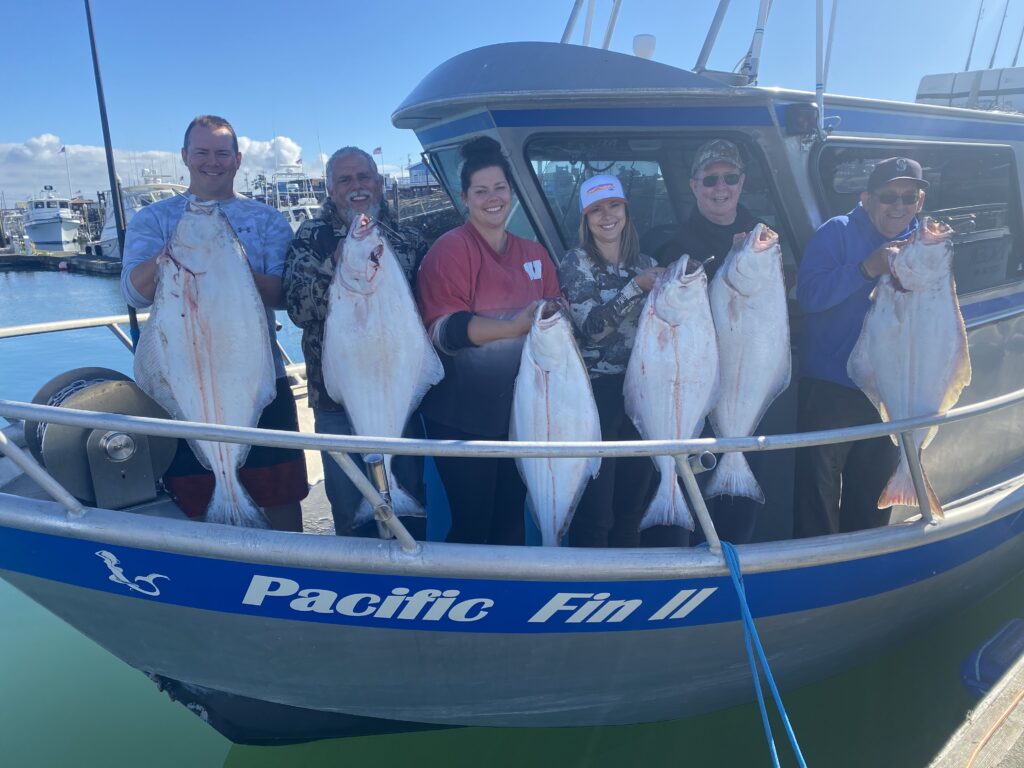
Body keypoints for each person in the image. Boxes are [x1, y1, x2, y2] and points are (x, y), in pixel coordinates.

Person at [120, 114, 308, 531]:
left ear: (238, 159)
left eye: (222, 153)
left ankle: (289, 570)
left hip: (255, 375)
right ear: (185, 156)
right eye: (202, 152)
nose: (212, 161)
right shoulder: (153, 220)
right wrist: (173, 257)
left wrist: (229, 264)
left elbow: (281, 296)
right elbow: (133, 292)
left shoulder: (267, 221)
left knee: (280, 493)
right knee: (193, 500)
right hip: (184, 373)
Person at [416, 136, 560, 545]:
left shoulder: (534, 253)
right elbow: (445, 331)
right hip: (461, 416)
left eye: (499, 188)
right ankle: (462, 603)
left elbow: (556, 311)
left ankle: (505, 603)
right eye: (481, 191)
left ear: (511, 192)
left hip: (521, 416)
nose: (492, 198)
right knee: (472, 523)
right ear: (465, 198)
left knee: (512, 522)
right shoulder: (451, 250)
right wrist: (513, 327)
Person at [283, 147, 429, 538]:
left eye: (364, 177)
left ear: (379, 184)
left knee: (412, 505)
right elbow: (297, 307)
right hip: (337, 398)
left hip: (398, 388)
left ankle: (413, 585)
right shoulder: (310, 238)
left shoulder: (409, 236)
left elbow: (427, 305)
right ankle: (357, 589)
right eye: (345, 180)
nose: (357, 187)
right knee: (349, 509)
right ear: (330, 190)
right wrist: (340, 263)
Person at [794, 157, 929, 537]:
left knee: (873, 496)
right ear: (867, 197)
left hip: (890, 390)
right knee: (816, 497)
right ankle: (814, 568)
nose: (898, 206)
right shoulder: (835, 233)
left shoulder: (925, 244)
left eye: (909, 196)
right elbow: (809, 296)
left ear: (919, 202)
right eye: (889, 196)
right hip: (831, 388)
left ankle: (863, 568)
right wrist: (864, 270)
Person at [557, 175, 664, 547]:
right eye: (596, 210)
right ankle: (589, 588)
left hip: (643, 393)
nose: (607, 216)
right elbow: (591, 329)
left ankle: (627, 589)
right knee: (595, 511)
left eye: (614, 206)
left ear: (626, 211)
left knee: (633, 507)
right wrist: (637, 288)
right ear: (586, 219)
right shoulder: (575, 262)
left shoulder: (648, 263)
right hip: (593, 397)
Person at [655, 138, 759, 276]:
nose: (721, 186)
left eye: (730, 178)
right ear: (694, 186)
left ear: (741, 182)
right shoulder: (677, 252)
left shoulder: (764, 236)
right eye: (710, 180)